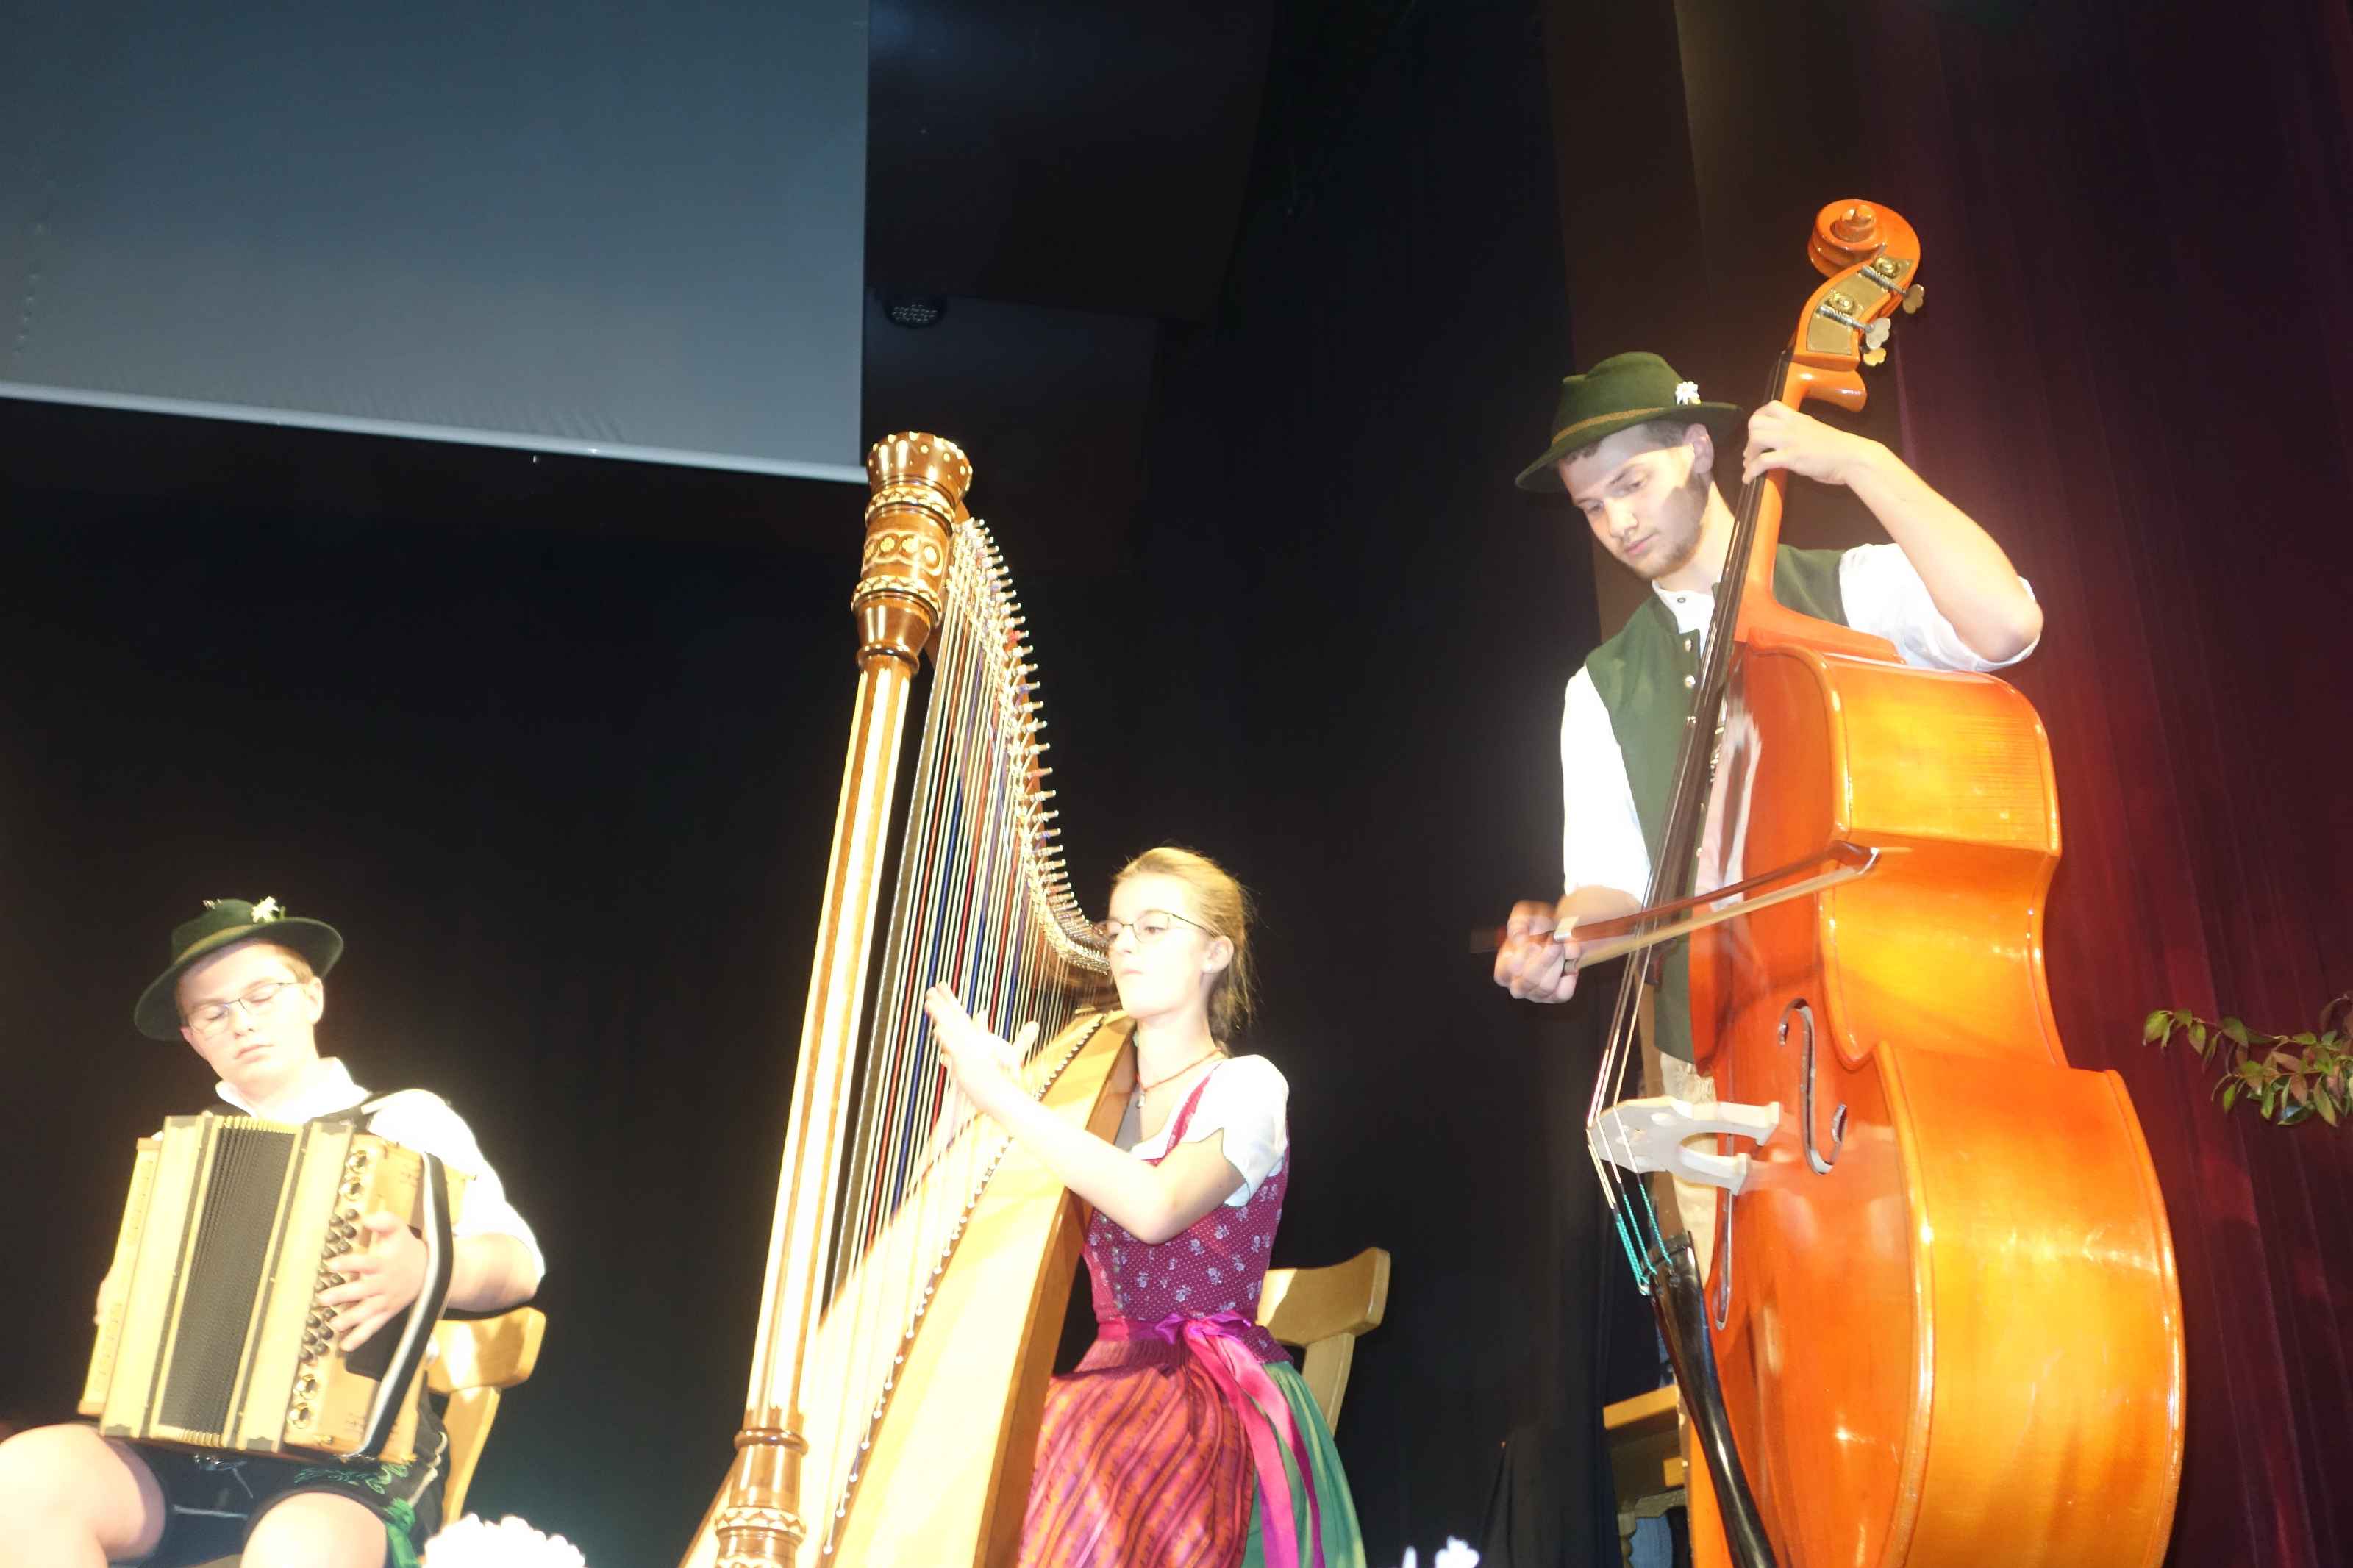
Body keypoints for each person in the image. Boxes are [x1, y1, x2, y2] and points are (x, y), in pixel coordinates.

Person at [1490, 350, 2042, 1117]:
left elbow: (2007, 626)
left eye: (1630, 484)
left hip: (1880, 1026)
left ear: (1697, 449)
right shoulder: (1599, 687)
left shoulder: (1846, 593)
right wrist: (1565, 938)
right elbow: (1614, 881)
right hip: (1709, 1069)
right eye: (1591, 506)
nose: (1616, 524)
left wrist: (1865, 464)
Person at [0, 896, 545, 1568]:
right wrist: (123, 1306)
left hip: (349, 1465)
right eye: (214, 1013)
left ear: (313, 997)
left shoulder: (407, 1119)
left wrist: (426, 1266)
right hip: (179, 1458)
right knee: (21, 1478)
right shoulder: (182, 1155)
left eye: (263, 995)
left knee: (295, 1547)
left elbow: (520, 1264)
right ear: (192, 1038)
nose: (243, 1023)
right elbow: (128, 1301)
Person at [922, 846, 1364, 1568]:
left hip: (1212, 1393)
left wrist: (1005, 1101)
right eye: (1115, 930)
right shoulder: (1083, 1103)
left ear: (1215, 952)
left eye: (1153, 928)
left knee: (1061, 1446)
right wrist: (966, 1116)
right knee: (972, 1450)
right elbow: (941, 1235)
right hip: (1114, 1383)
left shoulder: (1248, 1087)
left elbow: (1156, 1207)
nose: (1125, 944)